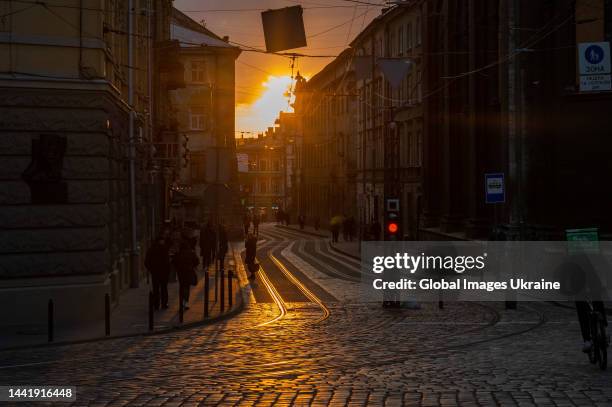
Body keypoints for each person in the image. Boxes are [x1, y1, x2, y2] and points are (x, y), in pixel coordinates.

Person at [145, 236, 170, 310]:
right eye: (162, 240)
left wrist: (151, 269)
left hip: (155, 273)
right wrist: (167, 270)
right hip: (164, 272)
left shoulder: (151, 249)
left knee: (156, 288)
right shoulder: (164, 249)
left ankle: (156, 305)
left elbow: (146, 262)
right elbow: (167, 262)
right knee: (164, 288)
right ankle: (164, 304)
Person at [172, 239, 199, 310]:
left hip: (180, 272)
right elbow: (197, 261)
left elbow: (173, 262)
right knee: (187, 286)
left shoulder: (178, 254)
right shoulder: (191, 253)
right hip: (188, 271)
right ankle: (185, 302)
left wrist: (177, 267)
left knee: (181, 286)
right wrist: (192, 266)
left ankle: (181, 301)